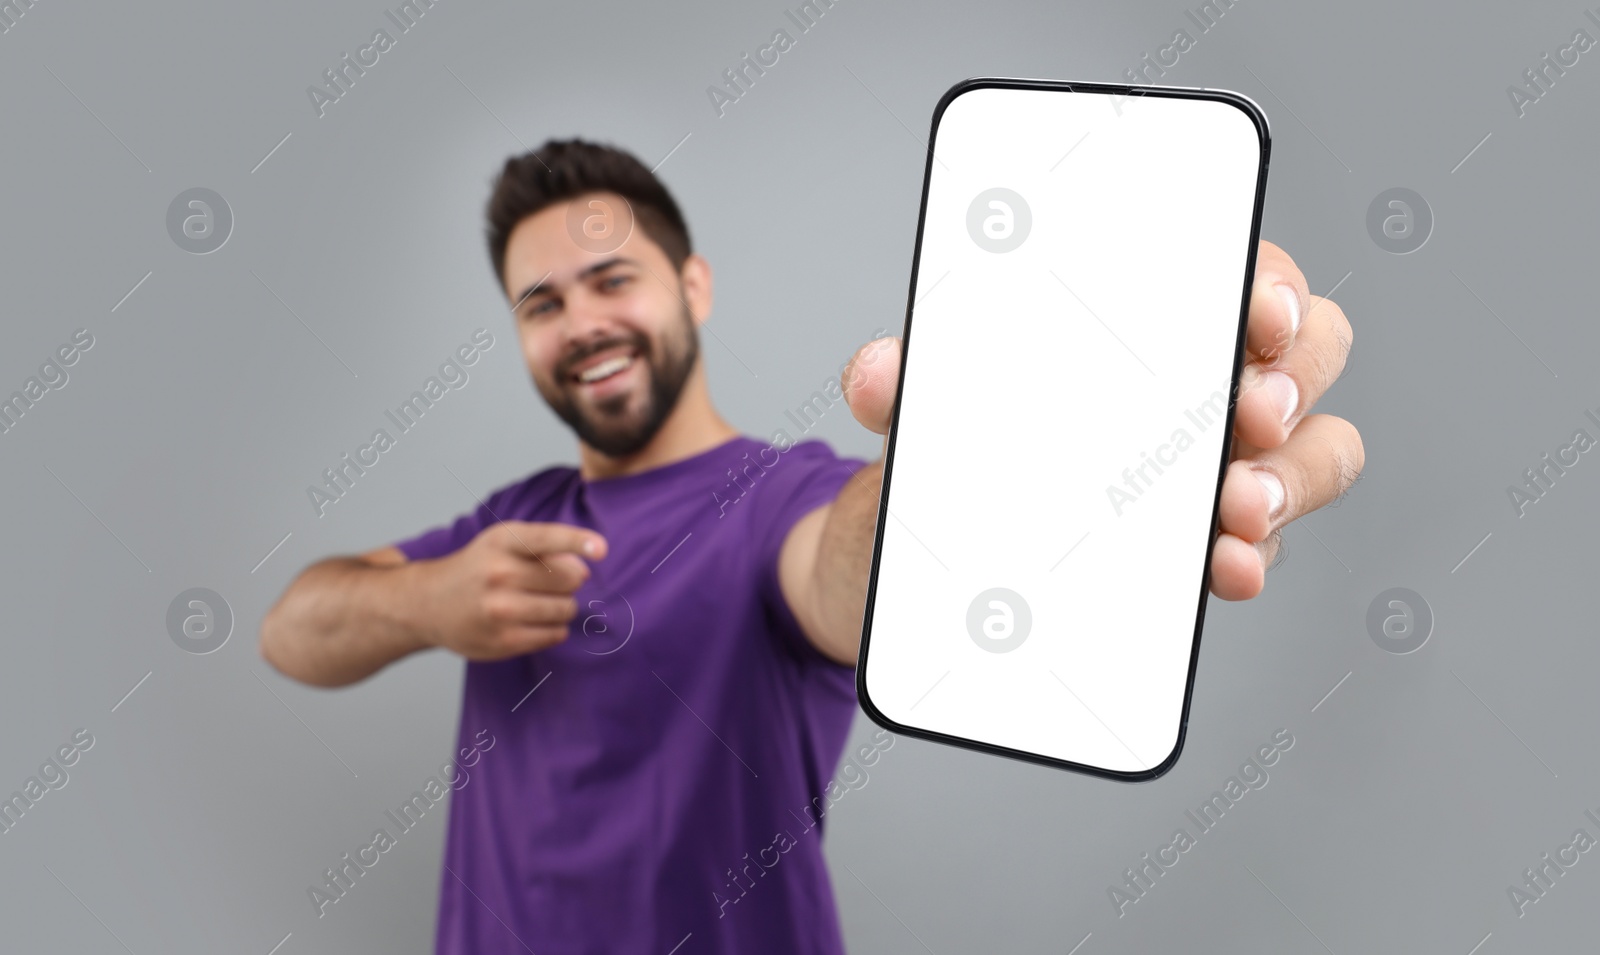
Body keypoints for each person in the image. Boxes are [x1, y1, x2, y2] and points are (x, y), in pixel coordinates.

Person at [259, 138, 1362, 953]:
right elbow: (291, 630)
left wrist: (1001, 439)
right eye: (541, 300)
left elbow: (847, 566)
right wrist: (429, 600)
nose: (581, 321)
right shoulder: (516, 512)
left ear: (690, 286)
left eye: (610, 279)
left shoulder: (780, 497)